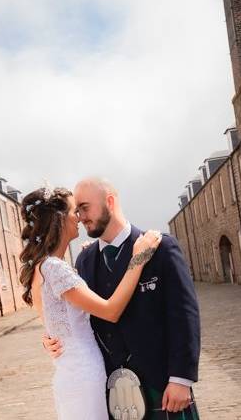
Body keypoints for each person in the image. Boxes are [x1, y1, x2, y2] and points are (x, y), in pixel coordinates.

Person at [44, 178, 201, 419]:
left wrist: (181, 378)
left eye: (85, 207)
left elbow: (184, 315)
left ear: (109, 201)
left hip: (162, 384)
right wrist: (53, 338)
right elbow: (78, 316)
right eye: (77, 210)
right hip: (110, 391)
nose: (80, 216)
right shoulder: (84, 262)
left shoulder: (161, 247)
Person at [19, 186, 163, 419]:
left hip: (72, 373)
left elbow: (57, 322)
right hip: (83, 375)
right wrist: (139, 257)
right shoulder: (54, 268)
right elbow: (111, 311)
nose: (80, 218)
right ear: (59, 219)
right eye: (75, 211)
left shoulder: (43, 267)